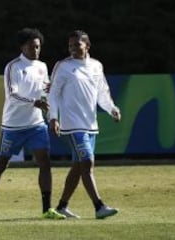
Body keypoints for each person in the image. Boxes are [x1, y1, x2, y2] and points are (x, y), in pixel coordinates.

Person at [0, 28, 66, 220]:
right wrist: (34, 102)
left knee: (45, 162)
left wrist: (53, 117)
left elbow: (47, 95)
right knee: (2, 164)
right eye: (32, 47)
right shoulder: (13, 67)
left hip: (36, 124)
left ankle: (46, 209)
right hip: (13, 126)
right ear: (22, 47)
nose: (36, 50)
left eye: (38, 47)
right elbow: (13, 94)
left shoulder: (42, 66)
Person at [48, 30, 121, 219]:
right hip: (72, 124)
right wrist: (53, 117)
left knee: (80, 166)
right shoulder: (62, 66)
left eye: (76, 45)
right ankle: (99, 207)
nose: (72, 48)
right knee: (87, 162)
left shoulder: (96, 66)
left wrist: (112, 108)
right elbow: (53, 93)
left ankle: (62, 206)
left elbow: (102, 92)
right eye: (70, 45)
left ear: (87, 46)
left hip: (90, 123)